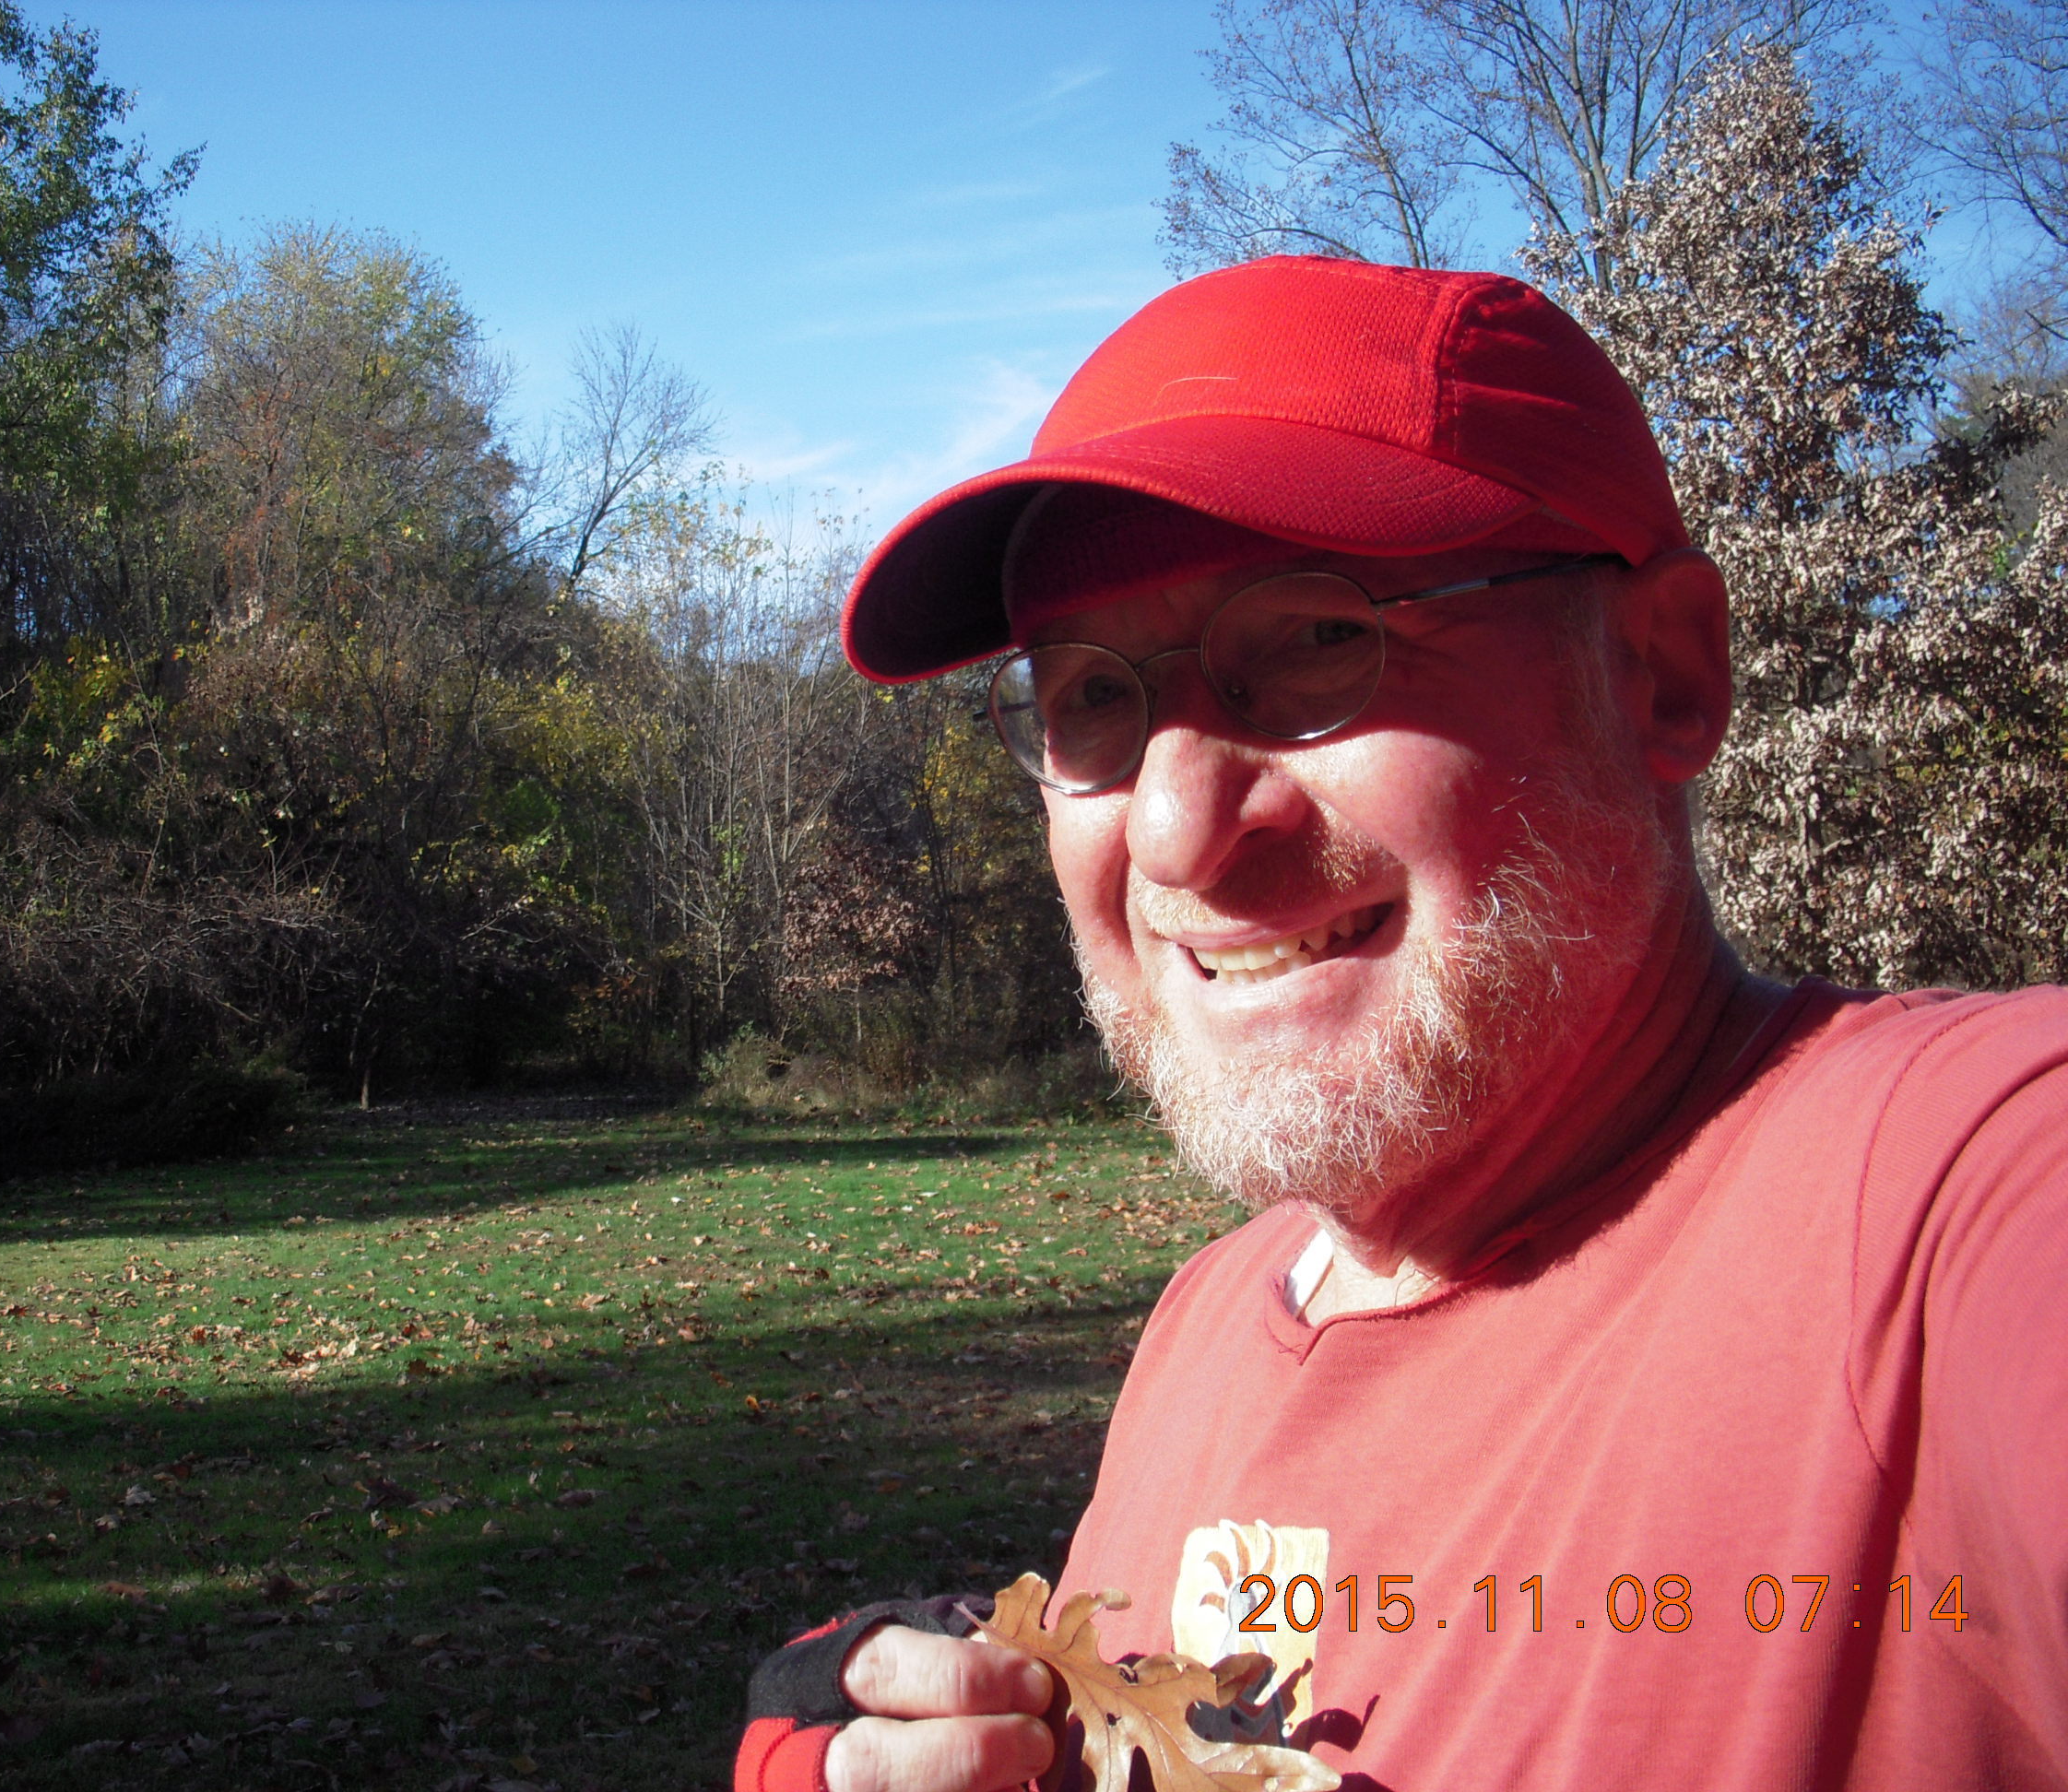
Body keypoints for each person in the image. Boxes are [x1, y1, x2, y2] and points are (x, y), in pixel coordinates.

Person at [733, 256, 2068, 1792]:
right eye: (1091, 696)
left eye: (1318, 640)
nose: (1174, 832)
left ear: (1663, 674)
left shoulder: (1948, 1208)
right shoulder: (1212, 1325)